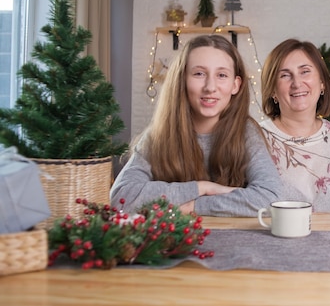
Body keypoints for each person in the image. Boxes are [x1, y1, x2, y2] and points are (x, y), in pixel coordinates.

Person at [111, 35, 283, 216]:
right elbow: (122, 198)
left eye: (222, 75)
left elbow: (272, 198)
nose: (210, 87)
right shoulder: (157, 136)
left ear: (235, 85)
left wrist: (194, 206)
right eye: (199, 74)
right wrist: (202, 188)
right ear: (182, 80)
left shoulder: (247, 132)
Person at [260, 39, 330, 212]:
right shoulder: (254, 138)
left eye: (305, 72)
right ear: (273, 90)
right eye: (285, 75)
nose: (297, 83)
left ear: (322, 83)